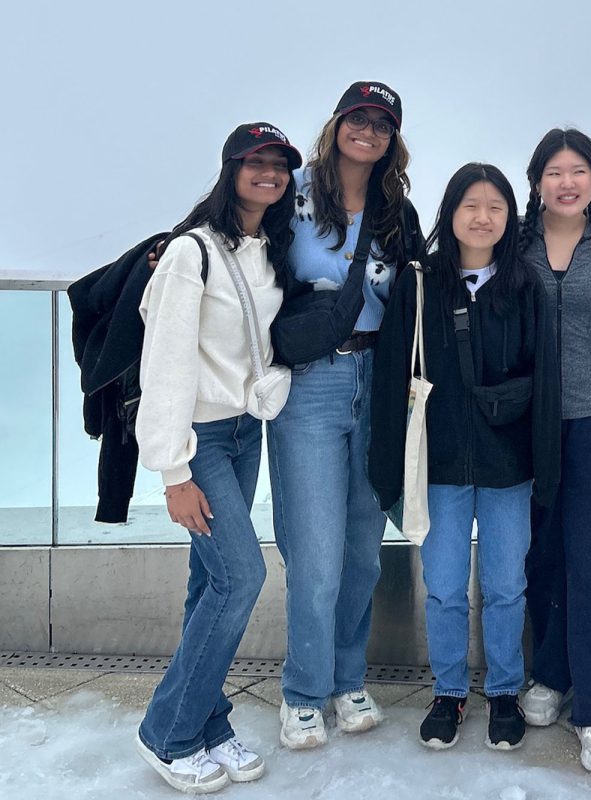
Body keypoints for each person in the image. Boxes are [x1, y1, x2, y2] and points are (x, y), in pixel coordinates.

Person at [133, 122, 302, 793]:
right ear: (230, 169)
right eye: (255, 162)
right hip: (201, 441)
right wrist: (173, 471)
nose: (268, 173)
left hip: (244, 431)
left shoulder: (271, 248)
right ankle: (168, 731)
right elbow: (166, 364)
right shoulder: (190, 254)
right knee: (240, 578)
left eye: (279, 164)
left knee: (209, 583)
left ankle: (209, 723)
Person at [369, 163, 560, 751]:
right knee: (445, 587)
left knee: (507, 587)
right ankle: (449, 689)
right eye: (471, 205)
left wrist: (546, 469)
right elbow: (389, 376)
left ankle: (503, 689)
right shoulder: (419, 283)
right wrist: (386, 472)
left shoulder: (526, 285)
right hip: (440, 467)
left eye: (496, 207)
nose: (483, 218)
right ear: (450, 212)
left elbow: (546, 383)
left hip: (509, 467)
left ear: (511, 217)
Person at [268, 81, 423, 750]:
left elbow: (418, 288)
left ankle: (345, 678)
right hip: (310, 380)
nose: (368, 132)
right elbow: (237, 240)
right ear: (336, 124)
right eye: (358, 119)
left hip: (376, 380)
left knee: (362, 548)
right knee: (317, 552)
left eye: (381, 124)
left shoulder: (397, 208)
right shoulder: (292, 193)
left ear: (393, 139)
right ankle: (303, 692)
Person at [517, 128, 591, 775]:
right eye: (554, 171)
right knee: (538, 554)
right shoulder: (516, 243)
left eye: (578, 170)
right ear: (536, 181)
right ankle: (551, 676)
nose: (567, 181)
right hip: (528, 425)